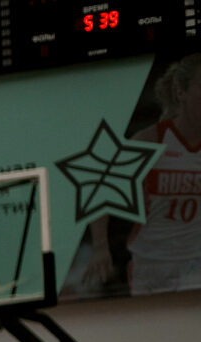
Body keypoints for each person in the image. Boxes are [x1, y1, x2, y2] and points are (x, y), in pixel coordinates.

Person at [81, 53, 201, 296]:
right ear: (181, 93)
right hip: (152, 262)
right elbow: (102, 189)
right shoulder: (152, 140)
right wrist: (100, 248)